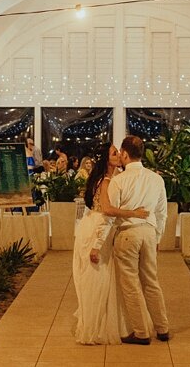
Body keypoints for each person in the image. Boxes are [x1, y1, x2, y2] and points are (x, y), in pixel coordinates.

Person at [92, 134, 170, 345]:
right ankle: (162, 328)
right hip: (149, 232)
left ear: (125, 154)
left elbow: (110, 216)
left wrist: (97, 244)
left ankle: (142, 332)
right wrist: (157, 237)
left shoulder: (118, 181)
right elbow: (162, 212)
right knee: (151, 281)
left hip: (127, 234)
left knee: (131, 284)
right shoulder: (156, 179)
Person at [72, 142, 151, 344]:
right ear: (107, 159)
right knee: (101, 278)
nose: (119, 155)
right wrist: (136, 214)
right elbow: (107, 210)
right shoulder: (107, 181)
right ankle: (99, 326)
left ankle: (103, 323)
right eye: (114, 153)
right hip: (100, 229)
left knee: (105, 277)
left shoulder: (109, 179)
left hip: (93, 225)